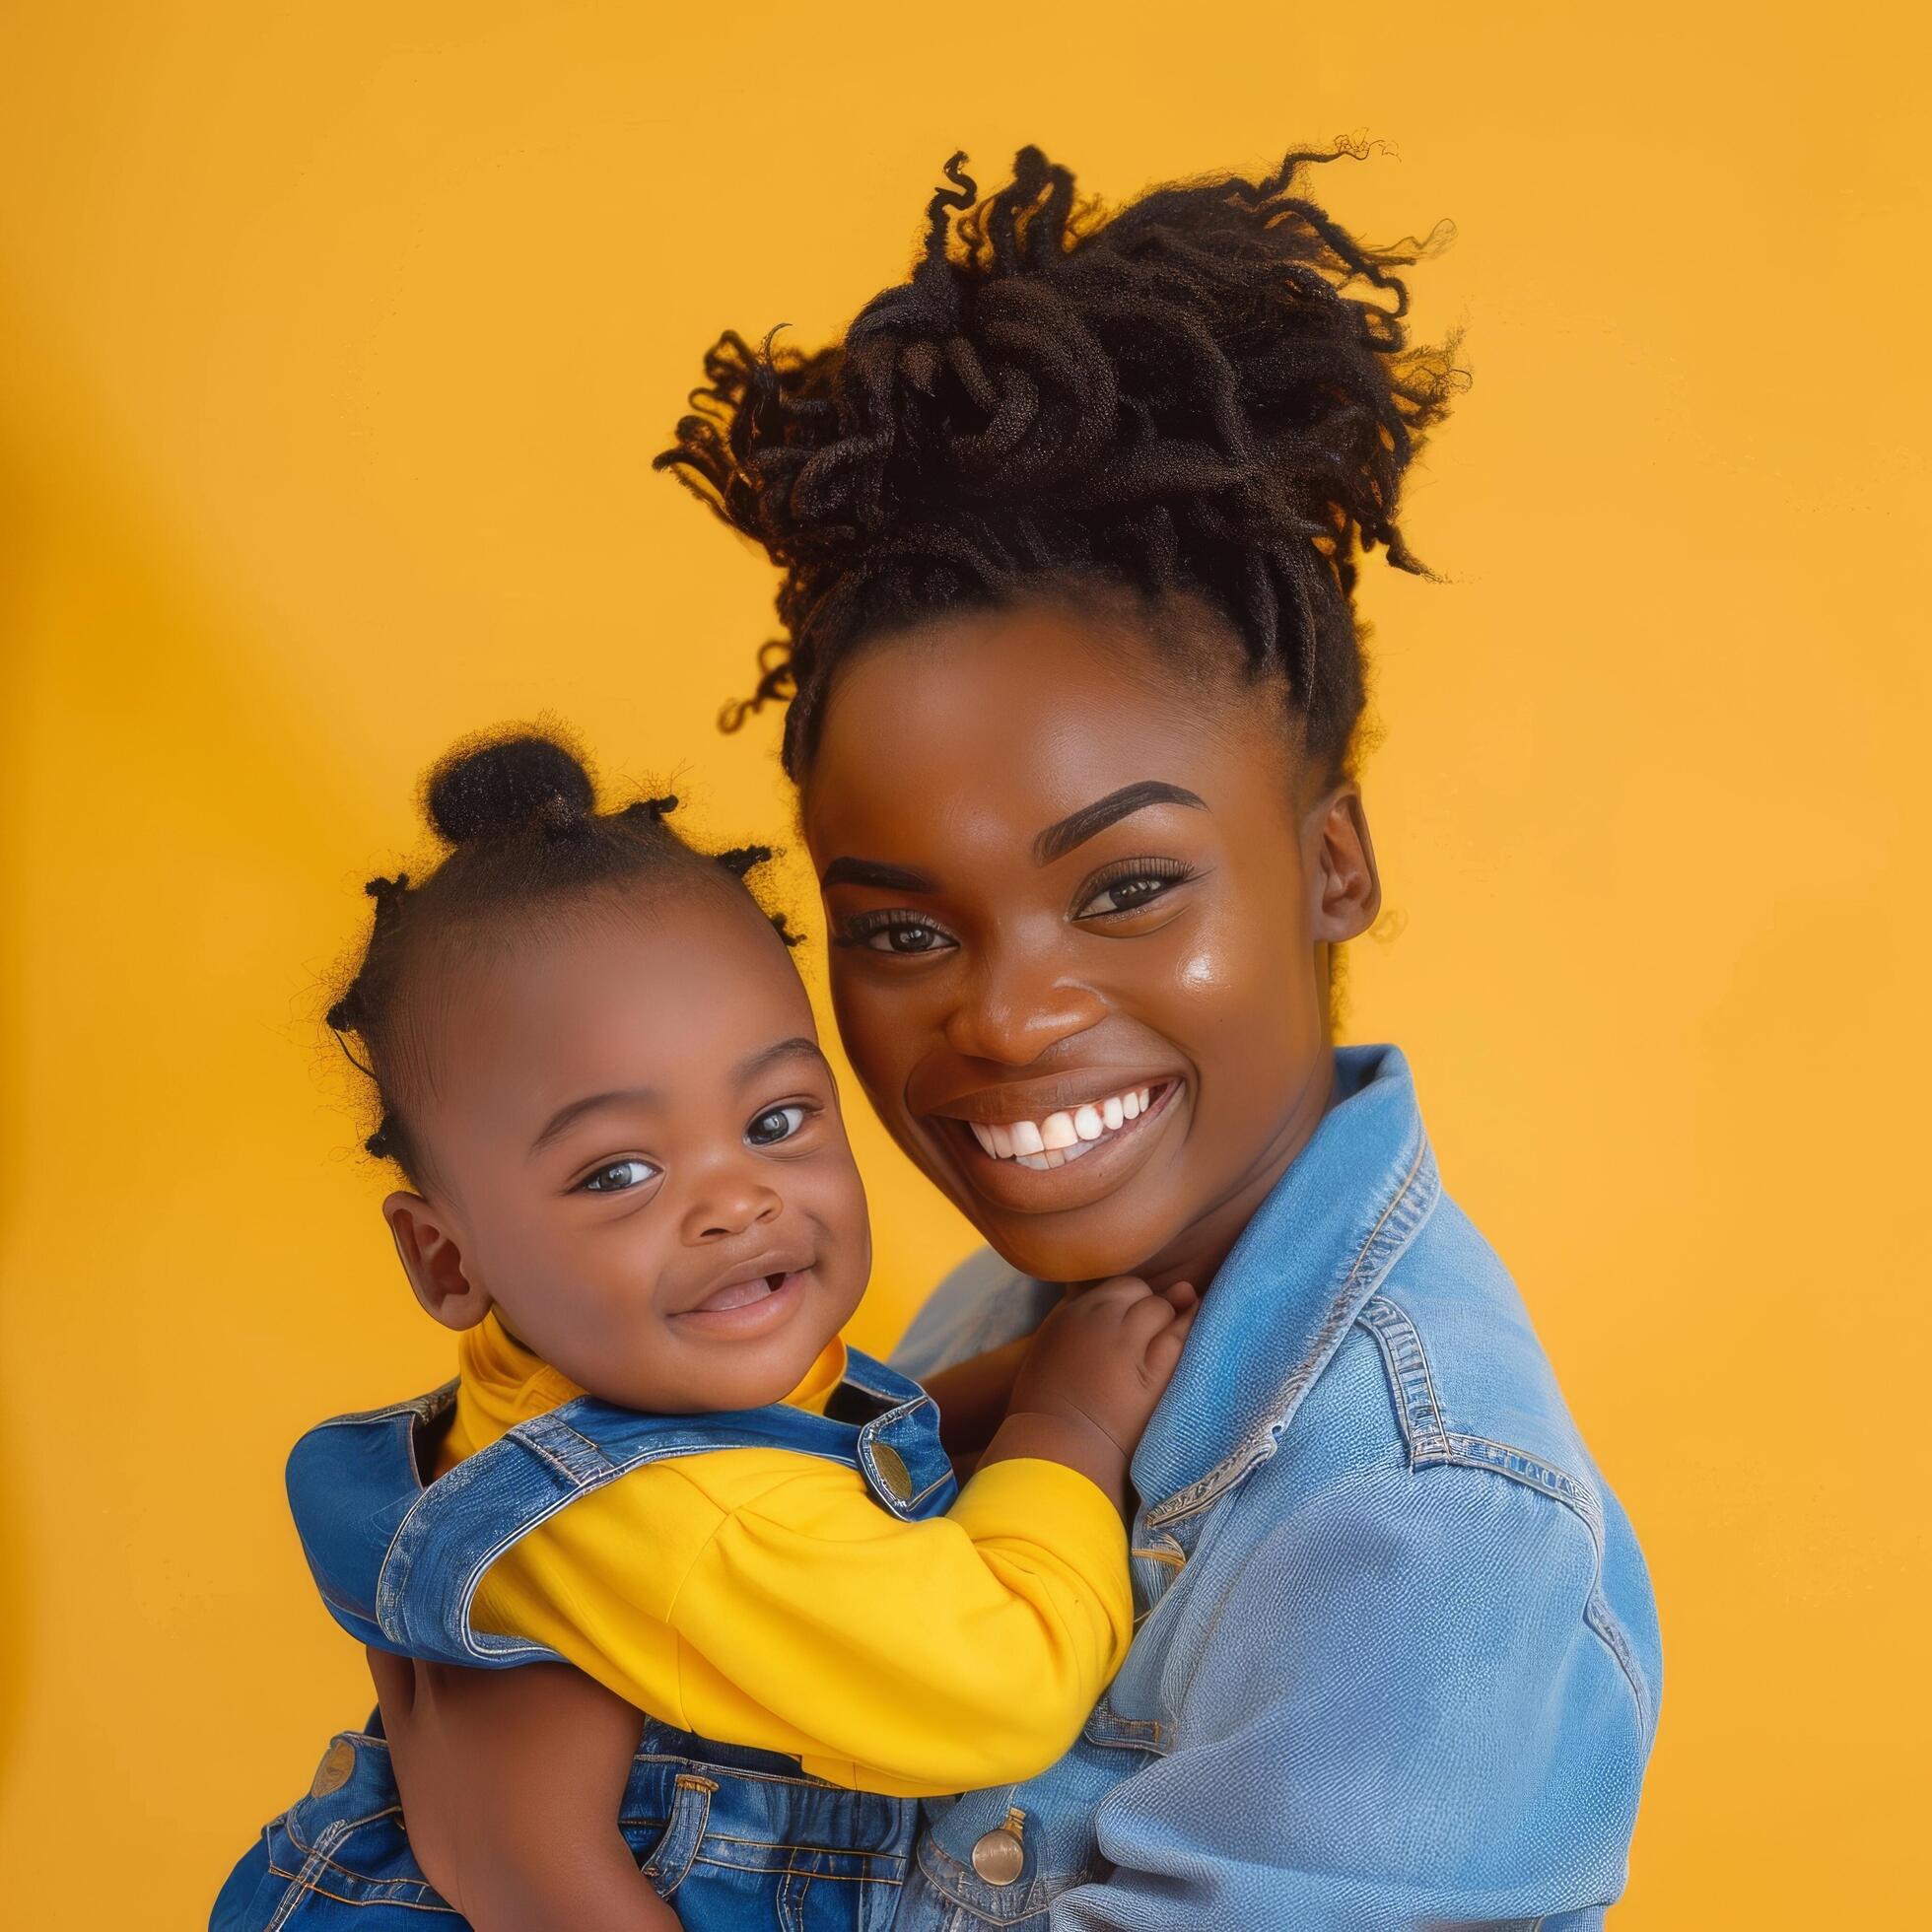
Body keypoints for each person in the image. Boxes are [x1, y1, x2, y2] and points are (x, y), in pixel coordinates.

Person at [367, 145, 1664, 1929]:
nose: (1005, 1013)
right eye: (902, 929)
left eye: (1126, 888)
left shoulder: (1429, 1534)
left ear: (1330, 862)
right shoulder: (1004, 1312)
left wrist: (530, 1883)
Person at [212, 727, 1198, 1931]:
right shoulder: (681, 1513)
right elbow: (1001, 1684)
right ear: (446, 1257)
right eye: (620, 1169)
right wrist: (1069, 1423)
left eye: (777, 1118)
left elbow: (814, 1466)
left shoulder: (566, 1392)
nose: (736, 1201)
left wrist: (1002, 1383)